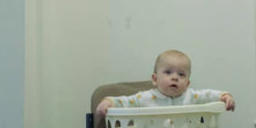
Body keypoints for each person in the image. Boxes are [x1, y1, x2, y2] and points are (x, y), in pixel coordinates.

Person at [96, 49, 235, 116]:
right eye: (168, 72)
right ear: (155, 79)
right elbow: (126, 101)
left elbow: (208, 95)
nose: (175, 77)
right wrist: (108, 102)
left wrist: (224, 96)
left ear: (187, 84)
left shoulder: (190, 96)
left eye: (181, 74)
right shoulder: (145, 97)